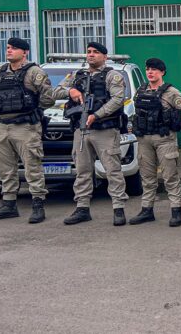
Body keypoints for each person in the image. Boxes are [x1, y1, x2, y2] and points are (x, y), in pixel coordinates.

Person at [53, 42, 129, 226]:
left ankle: (118, 208)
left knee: (113, 170)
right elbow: (55, 92)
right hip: (81, 130)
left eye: (96, 52)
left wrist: (97, 115)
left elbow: (118, 99)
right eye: (88, 52)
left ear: (105, 56)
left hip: (104, 130)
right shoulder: (77, 75)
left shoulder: (113, 75)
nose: (91, 55)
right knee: (82, 170)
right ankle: (82, 208)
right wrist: (70, 90)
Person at [0, 37, 55, 223]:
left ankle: (38, 204)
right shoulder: (0, 72)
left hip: (25, 126)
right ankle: (9, 204)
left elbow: (48, 98)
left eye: (14, 48)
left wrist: (31, 109)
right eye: (7, 47)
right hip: (2, 126)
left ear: (24, 52)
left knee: (32, 166)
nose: (9, 51)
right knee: (6, 168)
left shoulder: (34, 72)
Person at [128, 58, 181, 227]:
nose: (150, 72)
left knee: (170, 176)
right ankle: (147, 210)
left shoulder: (172, 93)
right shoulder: (140, 91)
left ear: (162, 72)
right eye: (148, 69)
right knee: (147, 177)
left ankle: (176, 211)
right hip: (144, 139)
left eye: (154, 69)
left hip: (165, 139)